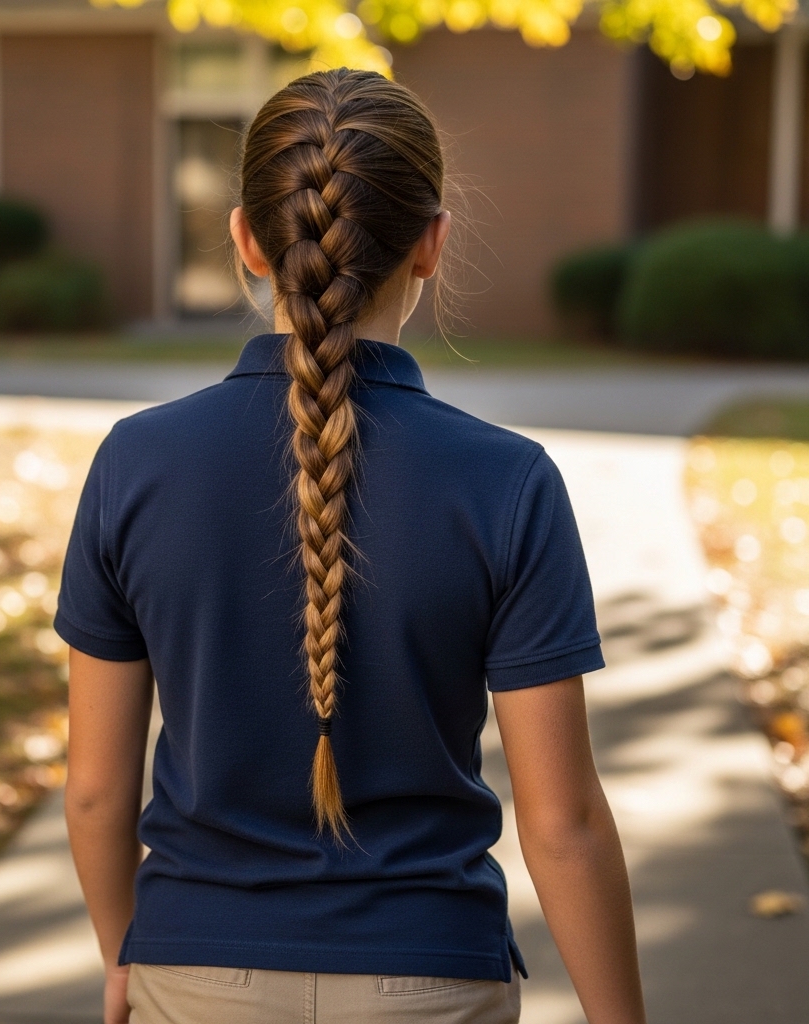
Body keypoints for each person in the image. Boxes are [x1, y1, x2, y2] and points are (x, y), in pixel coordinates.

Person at [56, 68, 646, 1024]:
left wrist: (127, 953)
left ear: (247, 239)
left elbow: (93, 794)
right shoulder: (507, 481)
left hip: (196, 972)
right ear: (431, 245)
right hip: (432, 980)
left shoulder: (137, 463)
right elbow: (563, 823)